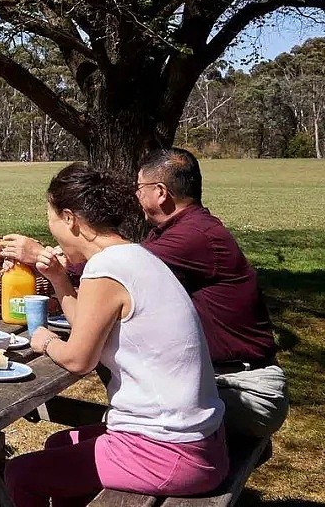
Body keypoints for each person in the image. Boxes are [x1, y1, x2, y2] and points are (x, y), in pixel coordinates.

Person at [5, 163, 228, 507]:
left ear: (70, 219)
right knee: (60, 445)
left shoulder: (105, 268)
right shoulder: (132, 256)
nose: (50, 230)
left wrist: (44, 340)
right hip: (201, 439)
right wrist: (61, 280)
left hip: (171, 451)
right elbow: (87, 328)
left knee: (20, 475)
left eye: (50, 218)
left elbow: (79, 359)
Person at [137, 147, 288, 438]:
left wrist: (55, 262)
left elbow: (124, 267)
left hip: (245, 391)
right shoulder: (181, 229)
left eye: (139, 188)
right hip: (217, 381)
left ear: (160, 192)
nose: (137, 196)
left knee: (133, 420)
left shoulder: (194, 236)